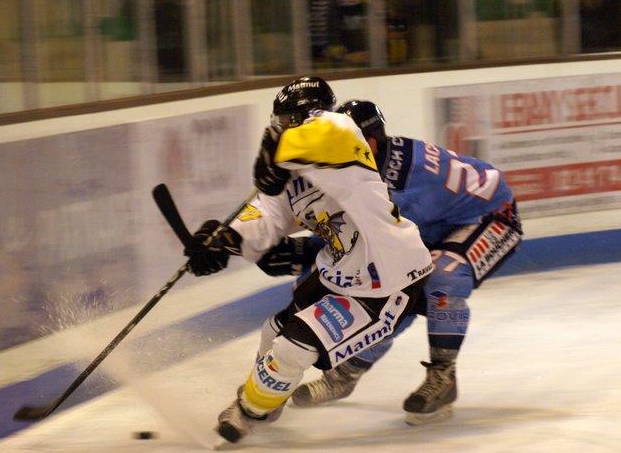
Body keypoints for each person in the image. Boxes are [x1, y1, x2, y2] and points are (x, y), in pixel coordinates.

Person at [183, 77, 434, 443]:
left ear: (309, 118)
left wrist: (278, 148)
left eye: (287, 123)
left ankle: (249, 411)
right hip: (340, 272)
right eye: (278, 123)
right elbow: (266, 214)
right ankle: (268, 397)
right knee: (274, 332)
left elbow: (327, 132)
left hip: (387, 280)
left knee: (291, 348)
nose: (279, 128)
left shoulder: (345, 142)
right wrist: (224, 240)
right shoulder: (295, 175)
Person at [256, 100, 523, 425]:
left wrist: (305, 251)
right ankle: (348, 374)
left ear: (367, 143)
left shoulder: (407, 183)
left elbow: (372, 240)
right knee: (395, 291)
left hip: (490, 217)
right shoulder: (372, 161)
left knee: (439, 280)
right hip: (442, 218)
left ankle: (443, 377)